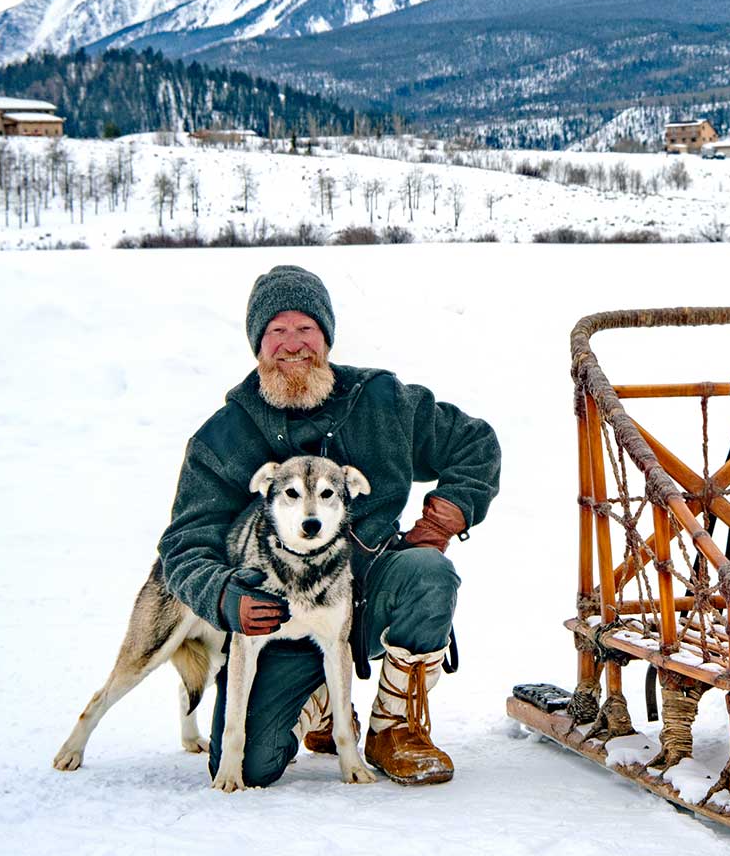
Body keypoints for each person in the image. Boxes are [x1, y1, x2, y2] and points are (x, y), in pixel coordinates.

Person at [158, 264, 500, 787]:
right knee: (251, 766)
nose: (293, 345)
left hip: (371, 584)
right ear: (257, 343)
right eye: (277, 331)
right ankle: (316, 701)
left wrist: (438, 522)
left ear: (327, 336)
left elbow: (474, 445)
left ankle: (394, 723)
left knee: (428, 573)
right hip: (276, 615)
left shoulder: (381, 400)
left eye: (306, 330)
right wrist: (227, 598)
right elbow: (184, 544)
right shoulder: (224, 436)